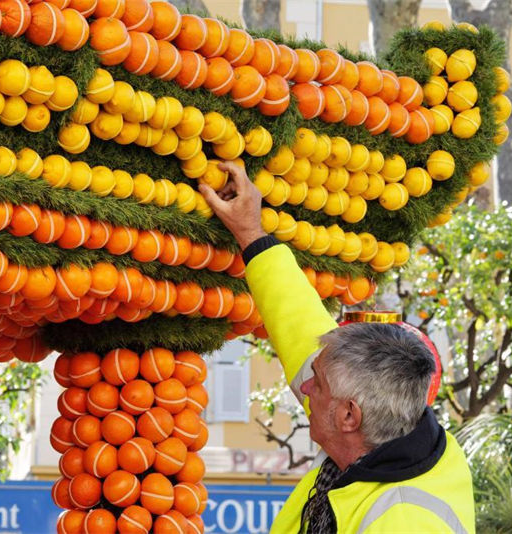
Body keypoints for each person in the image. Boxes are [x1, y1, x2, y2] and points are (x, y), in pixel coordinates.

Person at [199, 161, 476, 533]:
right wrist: (252, 232)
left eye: (317, 383)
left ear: (349, 416)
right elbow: (298, 324)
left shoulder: (404, 521)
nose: (304, 388)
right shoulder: (382, 437)